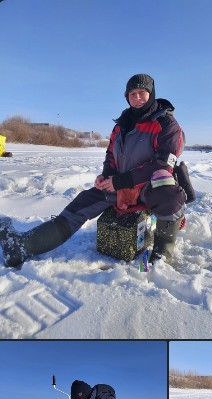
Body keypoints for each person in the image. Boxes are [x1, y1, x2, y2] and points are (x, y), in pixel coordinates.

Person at [1, 73, 189, 268]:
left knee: (169, 194)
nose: (137, 98)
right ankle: (21, 247)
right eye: (132, 94)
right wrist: (107, 175)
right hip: (122, 187)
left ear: (151, 93)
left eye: (142, 92)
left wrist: (119, 181)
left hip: (150, 187)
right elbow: (110, 156)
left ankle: (160, 257)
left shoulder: (167, 124)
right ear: (127, 97)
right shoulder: (121, 126)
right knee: (82, 202)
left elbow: (162, 164)